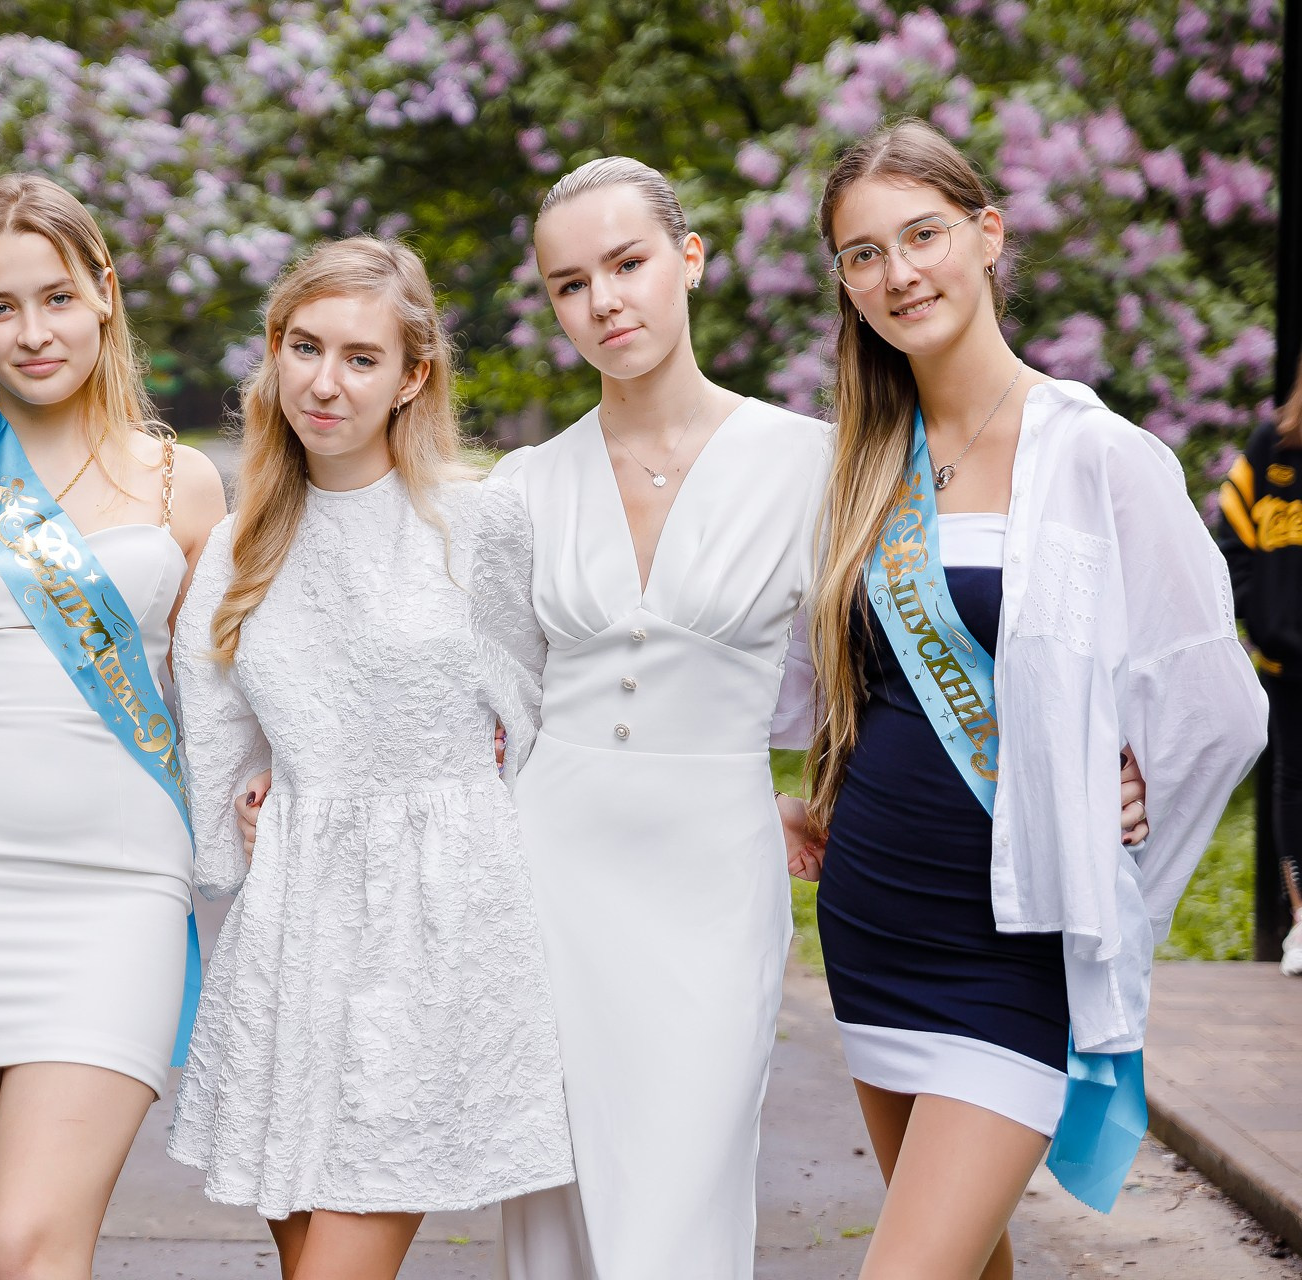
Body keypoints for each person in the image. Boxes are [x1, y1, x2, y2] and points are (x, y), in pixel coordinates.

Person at [794, 118, 1263, 1279]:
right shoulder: (861, 463)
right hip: (872, 923)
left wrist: (1126, 803)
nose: (899, 273)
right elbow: (833, 683)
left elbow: (1217, 704)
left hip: (1009, 950)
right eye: (864, 254)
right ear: (845, 284)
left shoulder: (1096, 455)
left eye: (923, 235)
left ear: (988, 234)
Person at [166, 236, 572, 1280]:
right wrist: (252, 800)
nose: (324, 382)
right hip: (293, 931)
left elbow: (539, 714)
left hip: (432, 925)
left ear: (412, 376)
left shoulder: (478, 524)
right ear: (274, 351)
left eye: (361, 358)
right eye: (305, 347)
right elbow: (216, 737)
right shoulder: (241, 543)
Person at [0, 174, 226, 1280]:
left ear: (105, 293)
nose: (33, 332)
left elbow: (227, 684)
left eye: (57, 297)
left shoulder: (185, 484)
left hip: (118, 886)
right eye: (0, 306)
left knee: (29, 1239)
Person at [485, 156, 832, 1279]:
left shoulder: (811, 464)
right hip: (551, 861)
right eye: (570, 284)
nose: (604, 301)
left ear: (689, 260)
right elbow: (485, 699)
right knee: (558, 1199)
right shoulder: (524, 486)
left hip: (713, 864)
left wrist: (820, 789)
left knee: (686, 1182)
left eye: (627, 263)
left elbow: (860, 673)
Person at [1216, 360, 1302, 976]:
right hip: (1287, 659)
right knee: (1293, 783)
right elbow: (1232, 534)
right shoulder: (1273, 445)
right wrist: (1261, 614)